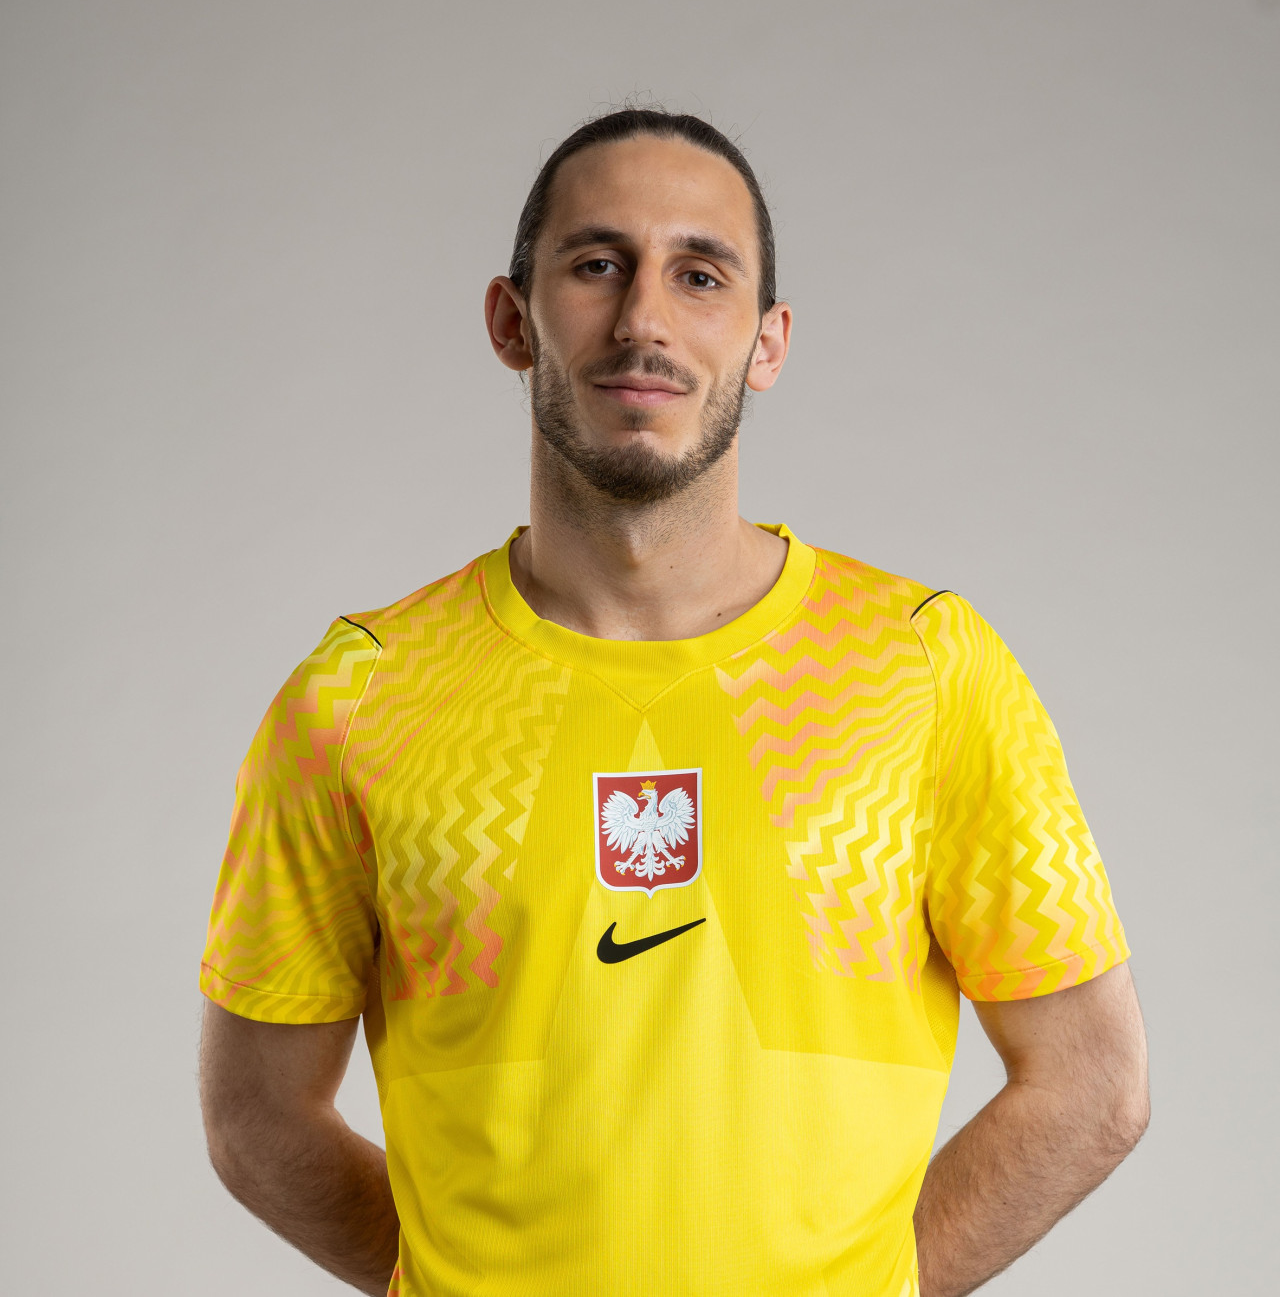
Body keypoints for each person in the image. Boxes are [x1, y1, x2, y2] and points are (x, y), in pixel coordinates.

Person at [198, 108, 1148, 1297]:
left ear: (766, 340)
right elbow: (255, 1114)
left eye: (700, 275)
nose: (642, 319)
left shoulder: (925, 670)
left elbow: (1091, 1082)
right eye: (596, 264)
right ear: (510, 319)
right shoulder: (358, 693)